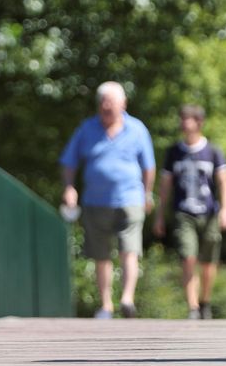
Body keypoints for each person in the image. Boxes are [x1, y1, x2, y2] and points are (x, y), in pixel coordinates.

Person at [59, 81, 156, 319]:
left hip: (130, 198)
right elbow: (68, 162)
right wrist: (69, 188)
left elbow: (149, 166)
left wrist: (147, 193)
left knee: (129, 250)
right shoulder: (86, 129)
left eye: (110, 102)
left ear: (123, 104)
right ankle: (105, 305)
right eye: (102, 102)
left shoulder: (137, 129)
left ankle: (127, 298)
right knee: (100, 254)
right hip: (95, 201)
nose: (105, 106)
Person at [153, 104, 226, 320]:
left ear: (198, 122)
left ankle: (205, 301)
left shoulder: (213, 151)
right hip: (183, 212)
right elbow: (165, 185)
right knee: (188, 256)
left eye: (186, 118)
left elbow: (225, 182)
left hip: (209, 213)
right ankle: (193, 307)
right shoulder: (174, 152)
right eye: (181, 118)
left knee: (208, 262)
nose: (182, 123)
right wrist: (159, 215)